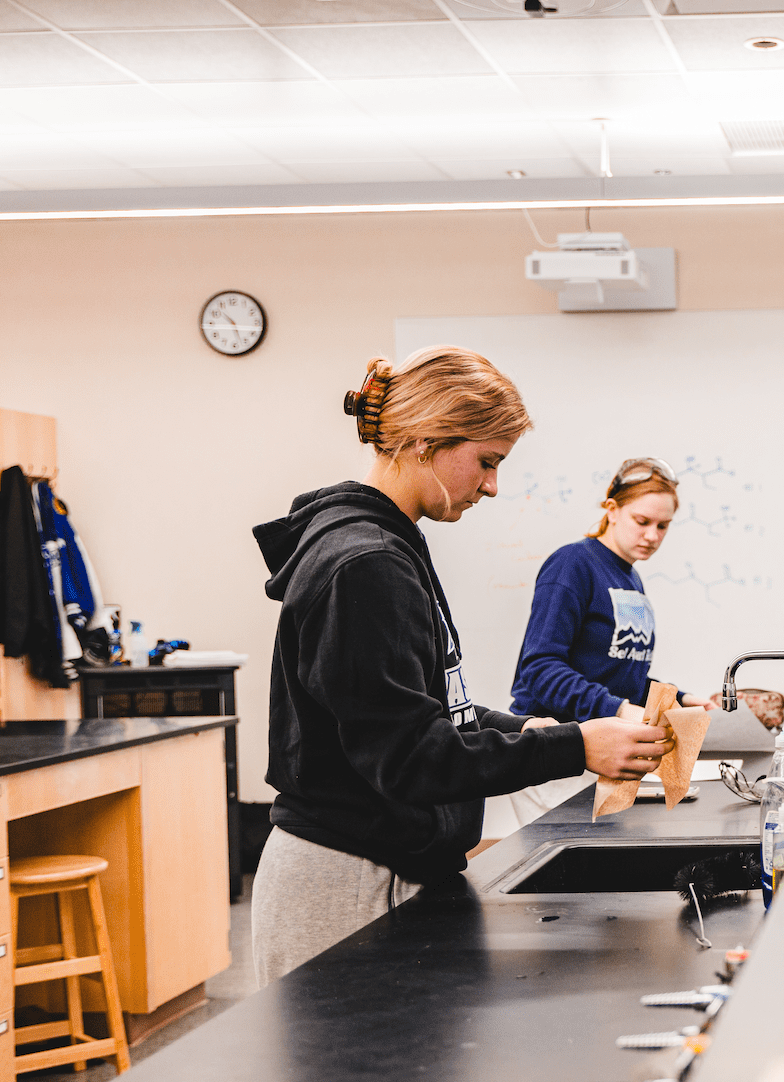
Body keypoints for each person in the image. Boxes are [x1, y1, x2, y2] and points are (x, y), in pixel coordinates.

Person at [251, 348, 667, 984]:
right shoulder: (363, 563)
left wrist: (522, 730)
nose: (493, 485)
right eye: (487, 461)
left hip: (384, 864)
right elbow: (412, 758)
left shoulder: (390, 546)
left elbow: (434, 709)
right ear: (423, 441)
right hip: (346, 876)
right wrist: (574, 744)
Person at [509, 457, 706, 724]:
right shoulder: (573, 564)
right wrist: (619, 710)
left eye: (663, 526)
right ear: (612, 510)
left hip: (606, 740)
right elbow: (540, 669)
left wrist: (678, 699)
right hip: (552, 740)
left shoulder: (632, 578)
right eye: (642, 521)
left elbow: (617, 678)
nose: (653, 536)